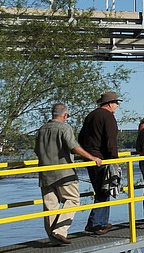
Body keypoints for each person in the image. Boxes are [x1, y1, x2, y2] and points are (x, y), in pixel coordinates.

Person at [34, 103, 102, 245]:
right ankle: (60, 231)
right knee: (73, 199)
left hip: (45, 173)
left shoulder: (41, 130)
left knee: (50, 206)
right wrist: (92, 157)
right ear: (65, 115)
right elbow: (73, 146)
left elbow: (36, 151)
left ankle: (53, 238)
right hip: (64, 173)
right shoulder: (64, 128)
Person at [78, 91, 121, 235]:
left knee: (100, 190)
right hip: (102, 159)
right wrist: (115, 161)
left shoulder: (91, 116)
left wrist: (87, 155)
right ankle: (96, 223)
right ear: (109, 104)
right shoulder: (108, 117)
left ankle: (100, 222)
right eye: (116, 103)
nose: (117, 106)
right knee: (104, 190)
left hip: (90, 158)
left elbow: (80, 137)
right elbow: (111, 141)